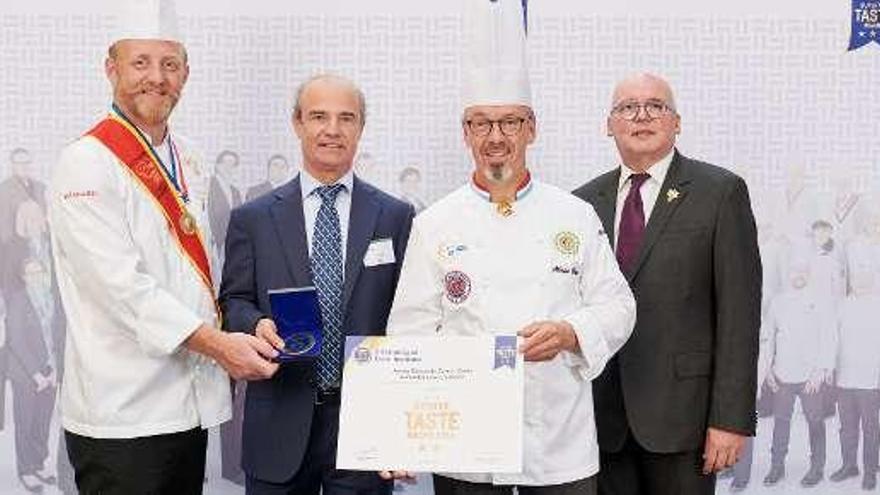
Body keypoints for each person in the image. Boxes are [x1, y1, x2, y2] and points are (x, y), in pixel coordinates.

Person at [384, 2, 635, 493]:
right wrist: (401, 431)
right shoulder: (434, 223)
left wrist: (569, 331)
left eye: (510, 123)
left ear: (532, 129)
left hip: (559, 447)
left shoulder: (575, 215)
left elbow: (619, 306)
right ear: (466, 133)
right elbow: (409, 333)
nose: (496, 137)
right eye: (482, 123)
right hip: (467, 451)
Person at [47, 1, 278, 492]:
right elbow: (121, 290)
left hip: (187, 410)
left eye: (169, 64)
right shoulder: (85, 162)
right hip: (124, 415)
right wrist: (221, 347)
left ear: (186, 74)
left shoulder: (190, 157)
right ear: (110, 69)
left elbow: (201, 271)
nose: (156, 78)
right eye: (141, 63)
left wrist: (248, 322)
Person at [219, 73, 415, 495]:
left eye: (346, 118)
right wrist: (255, 325)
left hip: (367, 427)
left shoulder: (396, 217)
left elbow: (410, 318)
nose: (332, 129)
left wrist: (403, 423)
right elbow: (233, 300)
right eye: (318, 117)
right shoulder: (252, 219)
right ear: (297, 124)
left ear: (361, 127)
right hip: (278, 418)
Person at [573, 72, 762, 495]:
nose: (642, 116)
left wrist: (729, 419)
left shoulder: (720, 192)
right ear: (609, 124)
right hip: (599, 420)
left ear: (677, 121)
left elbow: (740, 317)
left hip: (685, 423)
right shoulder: (581, 203)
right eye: (627, 108)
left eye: (656, 106)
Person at [761, 260, 836, 487]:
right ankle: (777, 466)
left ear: (808, 274)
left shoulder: (821, 300)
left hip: (810, 377)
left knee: (815, 422)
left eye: (803, 271)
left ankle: (817, 467)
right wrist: (767, 369)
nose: (798, 275)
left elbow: (829, 336)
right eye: (794, 271)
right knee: (781, 422)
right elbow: (769, 338)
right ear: (788, 273)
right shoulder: (778, 302)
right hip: (783, 374)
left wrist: (821, 370)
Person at [209, 149, 243, 257]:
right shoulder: (209, 185)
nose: (229, 167)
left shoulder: (235, 191)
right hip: (213, 242)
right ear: (218, 166)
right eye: (226, 163)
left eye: (233, 165)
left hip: (232, 242)